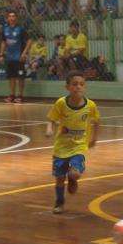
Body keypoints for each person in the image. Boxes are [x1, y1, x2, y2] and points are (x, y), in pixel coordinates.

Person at [45, 70, 100, 214]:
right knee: (59, 178)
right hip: (61, 147)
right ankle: (59, 202)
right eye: (74, 84)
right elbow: (51, 118)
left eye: (81, 84)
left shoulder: (91, 105)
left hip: (79, 145)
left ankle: (73, 178)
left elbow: (97, 122)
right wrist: (49, 129)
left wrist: (94, 138)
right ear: (67, 87)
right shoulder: (61, 103)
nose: (78, 87)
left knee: (74, 173)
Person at [0, 10, 30, 103]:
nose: (12, 18)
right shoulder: (5, 29)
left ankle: (20, 95)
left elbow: (29, 41)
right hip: (10, 58)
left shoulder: (21, 29)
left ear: (16, 18)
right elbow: (3, 42)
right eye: (10, 16)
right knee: (11, 77)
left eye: (13, 16)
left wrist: (24, 53)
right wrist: (1, 54)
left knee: (20, 77)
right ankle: (12, 95)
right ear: (7, 18)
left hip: (19, 58)